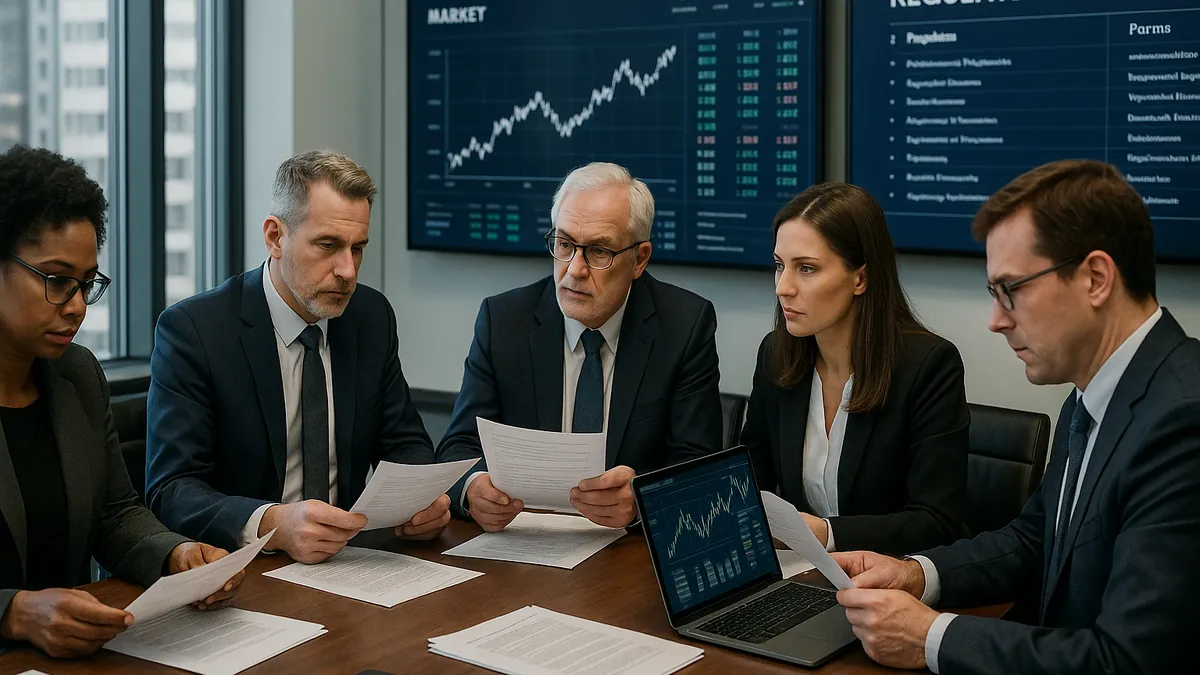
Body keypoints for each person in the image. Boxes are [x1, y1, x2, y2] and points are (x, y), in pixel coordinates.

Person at [833, 159, 1200, 674]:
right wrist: (917, 574)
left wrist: (929, 636)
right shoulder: (1096, 392)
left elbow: (1128, 661)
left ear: (1095, 278)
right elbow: (1036, 540)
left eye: (1012, 289)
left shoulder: (1183, 420)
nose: (996, 320)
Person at [0, 146, 243, 658]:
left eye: (87, 284)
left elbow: (113, 514)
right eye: (56, 280)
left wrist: (175, 553)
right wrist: (14, 612)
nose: (77, 307)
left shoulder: (77, 375)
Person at [146, 150, 447, 563]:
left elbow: (405, 441)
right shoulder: (195, 331)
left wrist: (421, 501)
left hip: (350, 562)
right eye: (328, 245)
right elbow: (172, 488)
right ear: (275, 237)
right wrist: (272, 524)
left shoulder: (369, 317)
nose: (348, 271)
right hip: (241, 566)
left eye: (357, 248)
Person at [436, 162, 722, 530]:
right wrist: (474, 489)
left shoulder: (684, 326)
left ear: (640, 259)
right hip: (522, 544)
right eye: (565, 244)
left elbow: (699, 467)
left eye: (599, 251)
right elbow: (458, 447)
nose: (574, 270)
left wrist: (639, 502)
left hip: (627, 554)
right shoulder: (504, 320)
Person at [741, 183, 970, 556]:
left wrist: (825, 534)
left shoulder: (929, 365)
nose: (783, 287)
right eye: (780, 265)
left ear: (860, 278)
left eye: (807, 269)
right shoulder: (776, 354)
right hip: (800, 575)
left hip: (890, 584)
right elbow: (752, 482)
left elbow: (936, 521)